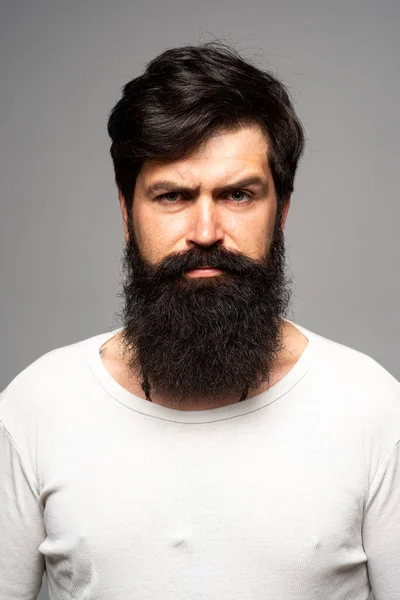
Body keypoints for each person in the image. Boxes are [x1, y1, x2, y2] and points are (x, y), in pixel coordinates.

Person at [0, 42, 399, 600]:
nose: (206, 231)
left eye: (238, 194)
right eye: (173, 196)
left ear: (281, 211)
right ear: (126, 213)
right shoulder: (34, 408)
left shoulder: (375, 410)